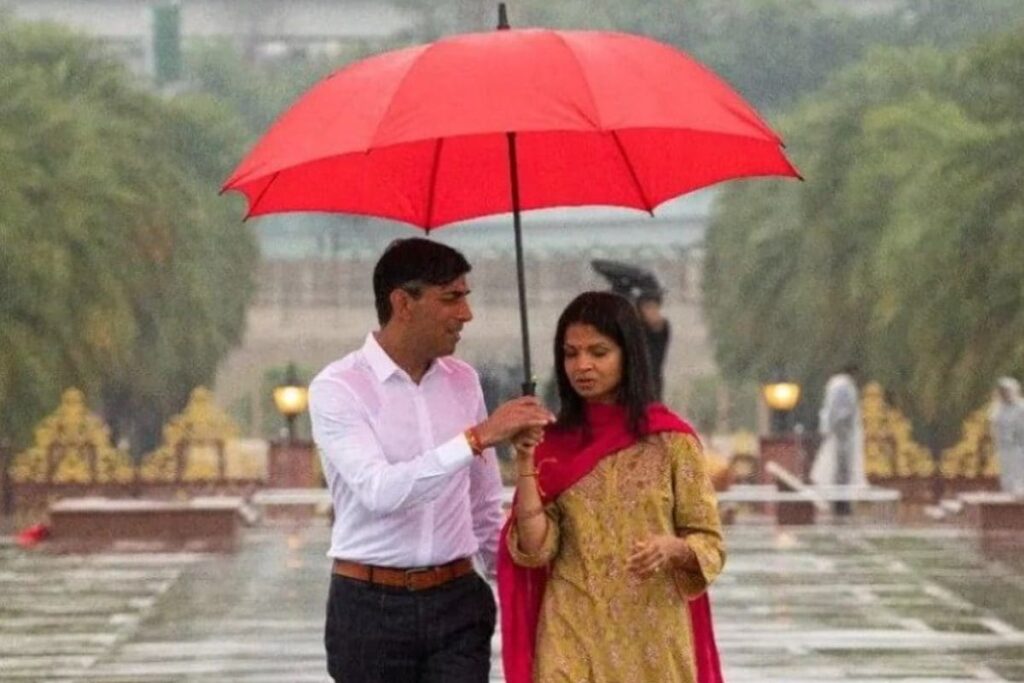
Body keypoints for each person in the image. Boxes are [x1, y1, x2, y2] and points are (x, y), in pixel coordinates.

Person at [309, 238, 555, 683]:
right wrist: (477, 437)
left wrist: (516, 591)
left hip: (457, 602)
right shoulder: (338, 388)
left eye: (466, 298)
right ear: (403, 302)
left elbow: (482, 503)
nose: (466, 314)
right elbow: (380, 491)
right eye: (451, 299)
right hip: (369, 607)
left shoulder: (463, 381)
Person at [498, 291, 725, 683]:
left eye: (598, 352)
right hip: (572, 629)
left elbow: (710, 543)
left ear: (628, 355)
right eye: (571, 353)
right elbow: (535, 549)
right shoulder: (552, 444)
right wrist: (524, 463)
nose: (582, 366)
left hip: (651, 636)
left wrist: (671, 548)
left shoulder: (672, 440)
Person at [810, 364, 867, 515]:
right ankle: (841, 504)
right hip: (843, 437)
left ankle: (840, 503)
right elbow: (841, 414)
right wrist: (842, 434)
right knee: (841, 470)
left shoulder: (836, 385)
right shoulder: (843, 386)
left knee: (839, 470)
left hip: (839, 436)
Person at [990, 377, 1024, 497]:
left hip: (1019, 446)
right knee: (1007, 471)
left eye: (1007, 390)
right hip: (1004, 447)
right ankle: (1009, 492)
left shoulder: (1021, 408)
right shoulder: (997, 409)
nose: (1005, 394)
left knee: (1019, 471)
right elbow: (995, 426)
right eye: (1002, 391)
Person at [636, 290, 671, 401]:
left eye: (655, 307)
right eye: (648, 307)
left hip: (652, 387)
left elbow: (658, 328)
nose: (652, 312)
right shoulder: (635, 328)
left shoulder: (662, 326)